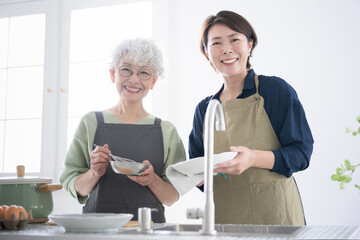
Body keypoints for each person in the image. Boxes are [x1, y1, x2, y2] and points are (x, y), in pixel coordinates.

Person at [189, 10, 314, 225]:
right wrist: (193, 177)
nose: (226, 49)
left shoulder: (275, 91)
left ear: (249, 44)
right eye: (216, 43)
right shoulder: (205, 109)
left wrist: (253, 158)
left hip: (276, 218)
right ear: (207, 52)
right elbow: (197, 171)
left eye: (234, 39)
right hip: (224, 220)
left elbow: (301, 154)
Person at [60, 38, 186, 223]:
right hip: (98, 230)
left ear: (153, 82)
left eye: (144, 73)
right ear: (113, 74)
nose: (134, 79)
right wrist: (94, 172)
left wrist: (152, 180)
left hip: (149, 231)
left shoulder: (166, 131)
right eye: (126, 69)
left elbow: (171, 197)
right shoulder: (91, 122)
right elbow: (77, 188)